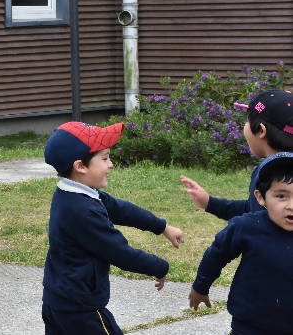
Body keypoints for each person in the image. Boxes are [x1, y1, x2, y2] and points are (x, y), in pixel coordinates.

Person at [41, 121, 184, 335]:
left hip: (60, 300)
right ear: (80, 166)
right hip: (81, 310)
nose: (111, 164)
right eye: (105, 158)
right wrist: (158, 266)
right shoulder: (82, 210)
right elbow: (119, 252)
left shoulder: (73, 193)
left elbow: (120, 209)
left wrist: (162, 226)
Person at [188, 153, 293, 334]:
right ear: (261, 198)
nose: (291, 205)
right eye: (281, 196)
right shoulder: (246, 227)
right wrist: (200, 286)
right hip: (249, 326)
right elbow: (216, 254)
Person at [180, 90, 293, 220]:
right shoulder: (270, 168)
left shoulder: (269, 172)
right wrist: (210, 203)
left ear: (261, 130)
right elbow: (252, 210)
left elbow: (258, 222)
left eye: (247, 121)